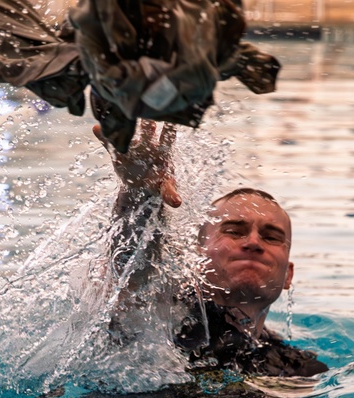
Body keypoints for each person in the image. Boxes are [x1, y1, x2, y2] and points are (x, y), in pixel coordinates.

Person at [95, 119, 328, 379]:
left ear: (288, 275)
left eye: (271, 237)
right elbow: (134, 270)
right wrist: (141, 195)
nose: (253, 242)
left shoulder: (296, 367)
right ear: (196, 259)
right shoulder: (165, 315)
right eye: (234, 231)